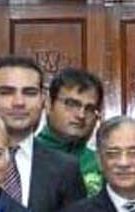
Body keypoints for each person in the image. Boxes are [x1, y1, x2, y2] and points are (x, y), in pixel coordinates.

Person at [0, 55, 84, 212]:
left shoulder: (65, 169)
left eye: (29, 93)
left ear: (42, 100)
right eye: (6, 92)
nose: (19, 102)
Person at [36, 67, 106, 196]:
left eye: (89, 108)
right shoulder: (27, 156)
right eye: (72, 104)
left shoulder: (100, 163)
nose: (81, 115)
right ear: (48, 104)